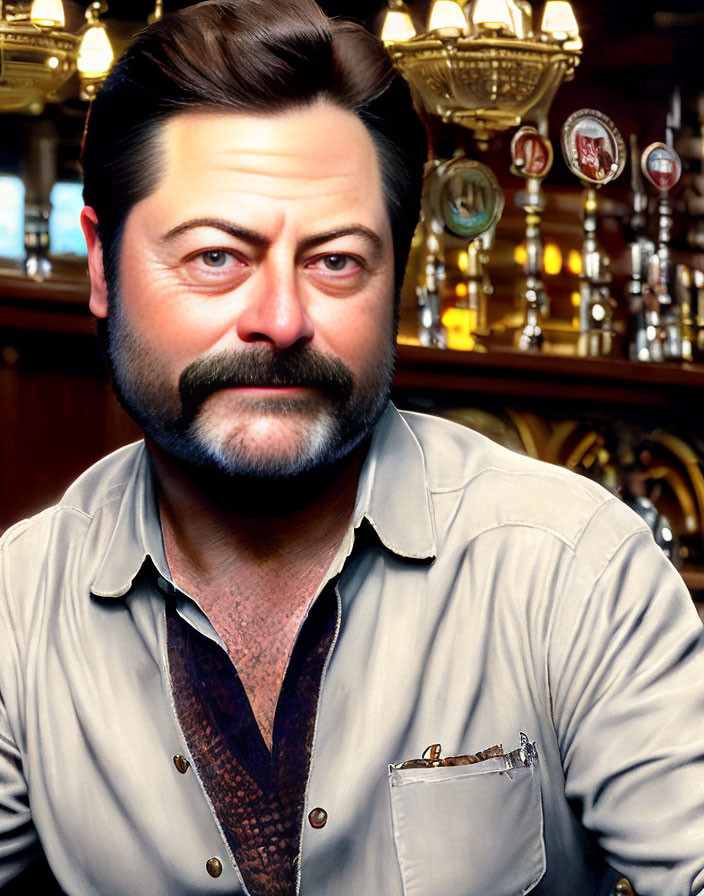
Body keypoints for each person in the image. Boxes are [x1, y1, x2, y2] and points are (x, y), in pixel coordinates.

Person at [0, 2, 703, 895]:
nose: (281, 320)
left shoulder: (574, 572)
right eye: (217, 256)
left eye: (336, 261)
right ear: (102, 267)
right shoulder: (19, 610)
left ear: (397, 281)